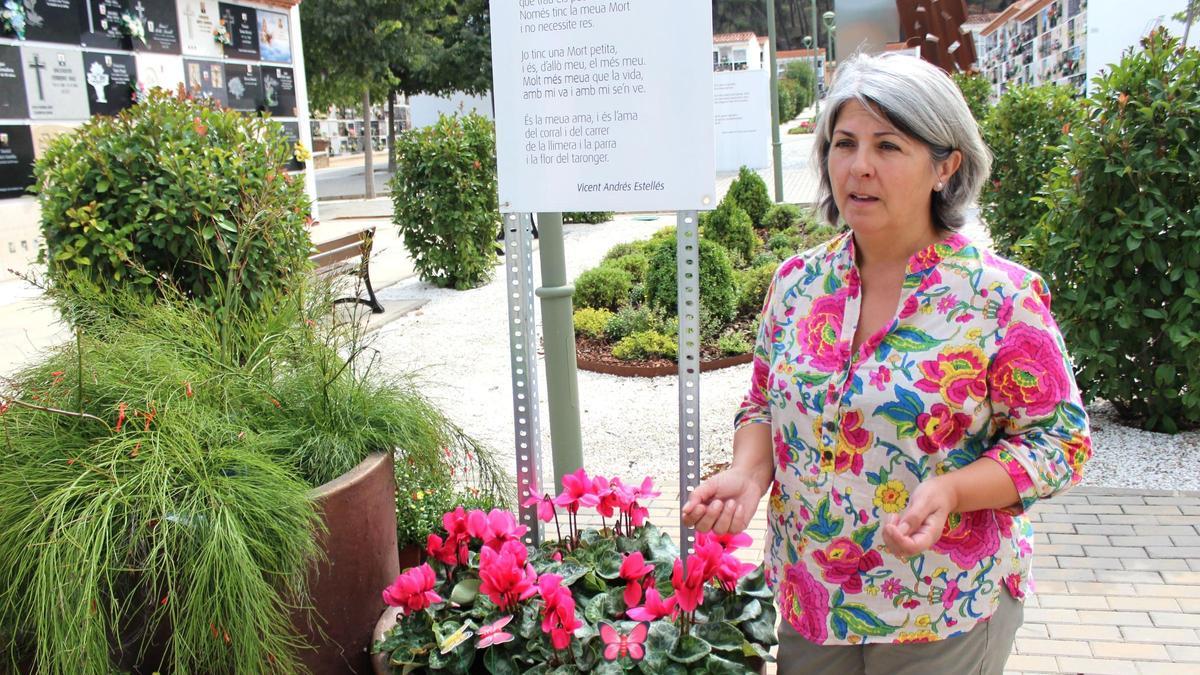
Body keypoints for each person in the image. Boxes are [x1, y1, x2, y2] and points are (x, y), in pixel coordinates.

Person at [683, 52, 1093, 674]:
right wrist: (747, 471)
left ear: (944, 166)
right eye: (843, 143)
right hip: (812, 593)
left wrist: (954, 489)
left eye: (889, 146)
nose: (859, 167)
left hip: (942, 602)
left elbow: (1060, 442)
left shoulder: (998, 298)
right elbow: (764, 400)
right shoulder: (798, 283)